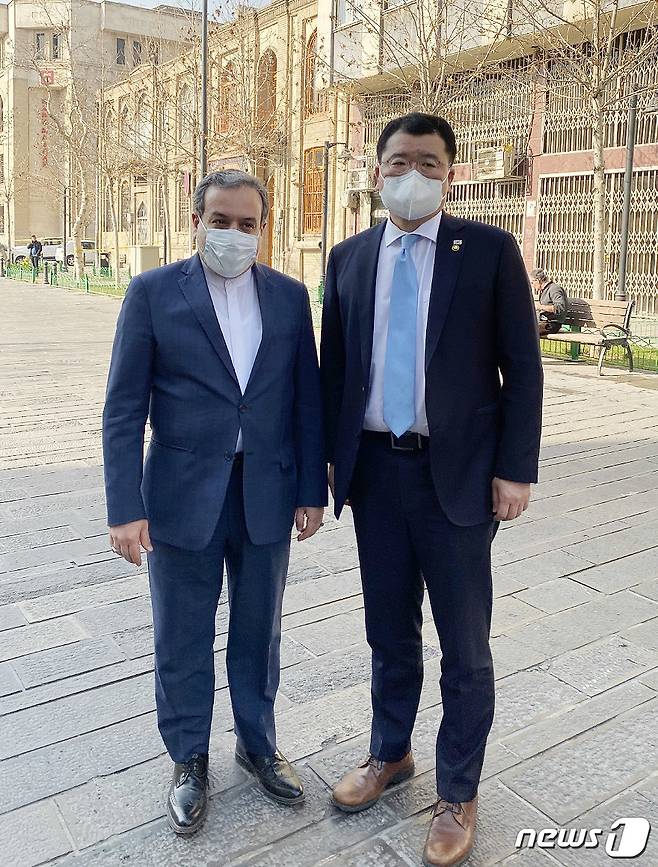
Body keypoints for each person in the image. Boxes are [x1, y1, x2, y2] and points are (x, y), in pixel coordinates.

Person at [320, 113, 543, 867]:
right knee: (388, 630)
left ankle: (458, 791)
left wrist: (515, 468)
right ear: (375, 169)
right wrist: (328, 463)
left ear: (451, 172)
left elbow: (523, 368)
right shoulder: (349, 258)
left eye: (427, 162)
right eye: (398, 161)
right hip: (374, 473)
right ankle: (391, 751)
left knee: (464, 645)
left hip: (459, 478)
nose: (410, 174)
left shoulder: (488, 251)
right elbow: (333, 371)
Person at [102, 169, 326, 836]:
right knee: (182, 634)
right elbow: (123, 409)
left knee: (260, 630)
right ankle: (188, 758)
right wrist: (124, 507)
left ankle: (257, 744)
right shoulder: (152, 293)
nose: (233, 233)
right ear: (196, 220)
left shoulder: (288, 297)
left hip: (266, 493)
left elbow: (306, 401)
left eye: (247, 223)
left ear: (264, 228)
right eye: (220, 220)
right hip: (180, 496)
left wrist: (311, 491)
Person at [530, 267, 568, 336]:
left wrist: (540, 307)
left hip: (552, 324)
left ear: (538, 280)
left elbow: (560, 308)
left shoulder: (554, 289)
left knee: (527, 330)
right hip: (542, 322)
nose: (532, 285)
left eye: (532, 282)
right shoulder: (544, 290)